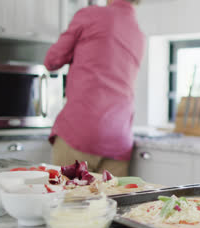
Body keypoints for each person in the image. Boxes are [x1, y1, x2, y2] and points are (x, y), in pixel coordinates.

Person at [44, 0, 145, 176]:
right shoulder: (139, 33)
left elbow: (52, 61)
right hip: (119, 138)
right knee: (112, 202)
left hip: (80, 132)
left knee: (69, 201)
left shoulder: (91, 15)